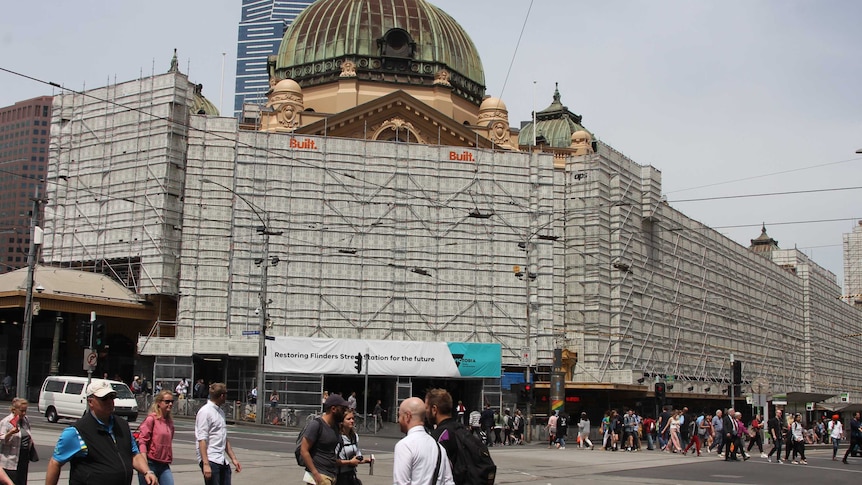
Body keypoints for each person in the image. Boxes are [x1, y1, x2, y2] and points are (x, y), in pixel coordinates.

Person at [45, 380, 157, 485]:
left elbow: (134, 454)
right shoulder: (76, 431)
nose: (109, 402)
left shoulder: (122, 425)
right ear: (91, 402)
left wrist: (147, 472)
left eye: (111, 397)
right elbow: (55, 463)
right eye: (104, 398)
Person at [393, 397, 453, 485]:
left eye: (400, 415)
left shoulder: (405, 446)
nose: (399, 420)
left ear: (407, 416)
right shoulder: (439, 447)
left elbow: (400, 483)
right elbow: (449, 481)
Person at [195, 382, 242, 485]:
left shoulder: (220, 412)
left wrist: (233, 459)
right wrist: (205, 464)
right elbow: (202, 439)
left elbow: (224, 437)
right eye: (226, 394)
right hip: (210, 459)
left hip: (221, 459)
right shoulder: (205, 412)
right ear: (222, 396)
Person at [300, 393, 349, 485]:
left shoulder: (335, 427)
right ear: (333, 409)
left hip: (331, 475)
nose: (344, 412)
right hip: (320, 475)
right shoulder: (316, 425)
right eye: (342, 409)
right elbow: (304, 450)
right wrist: (315, 473)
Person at [136, 390, 176, 485]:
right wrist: (144, 464)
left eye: (172, 402)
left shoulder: (170, 422)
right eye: (167, 401)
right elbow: (142, 441)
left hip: (164, 464)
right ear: (159, 402)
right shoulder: (151, 419)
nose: (170, 404)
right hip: (150, 462)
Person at [0, 398, 33, 485]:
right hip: (10, 461)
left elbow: (28, 434)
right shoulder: (6, 422)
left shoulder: (26, 420)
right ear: (14, 410)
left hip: (23, 459)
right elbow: (1, 439)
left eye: (25, 411)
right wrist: (10, 433)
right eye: (22, 411)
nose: (24, 413)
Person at [335, 409, 371, 485]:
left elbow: (357, 456)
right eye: (348, 419)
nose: (352, 421)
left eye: (353, 418)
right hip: (339, 477)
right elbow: (332, 461)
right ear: (342, 422)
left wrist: (365, 460)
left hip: (351, 475)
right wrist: (350, 462)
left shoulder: (354, 436)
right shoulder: (337, 438)